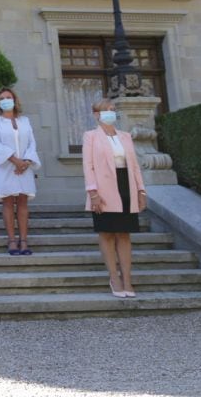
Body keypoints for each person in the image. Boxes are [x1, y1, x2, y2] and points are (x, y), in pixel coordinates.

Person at [83, 98, 147, 299]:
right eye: (106, 110)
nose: (110, 113)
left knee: (124, 234)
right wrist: (93, 192)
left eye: (112, 110)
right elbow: (88, 165)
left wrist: (141, 190)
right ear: (96, 115)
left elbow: (134, 165)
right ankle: (114, 278)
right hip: (103, 189)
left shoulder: (125, 136)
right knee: (107, 233)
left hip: (126, 185)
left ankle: (127, 279)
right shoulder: (90, 136)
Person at [0, 87, 41, 256]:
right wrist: (15, 161)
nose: (5, 100)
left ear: (14, 99)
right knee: (8, 202)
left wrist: (25, 162)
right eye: (2, 98)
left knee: (23, 201)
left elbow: (32, 143)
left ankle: (24, 241)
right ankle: (12, 240)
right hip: (6, 166)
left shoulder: (25, 120)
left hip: (24, 166)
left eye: (8, 97)